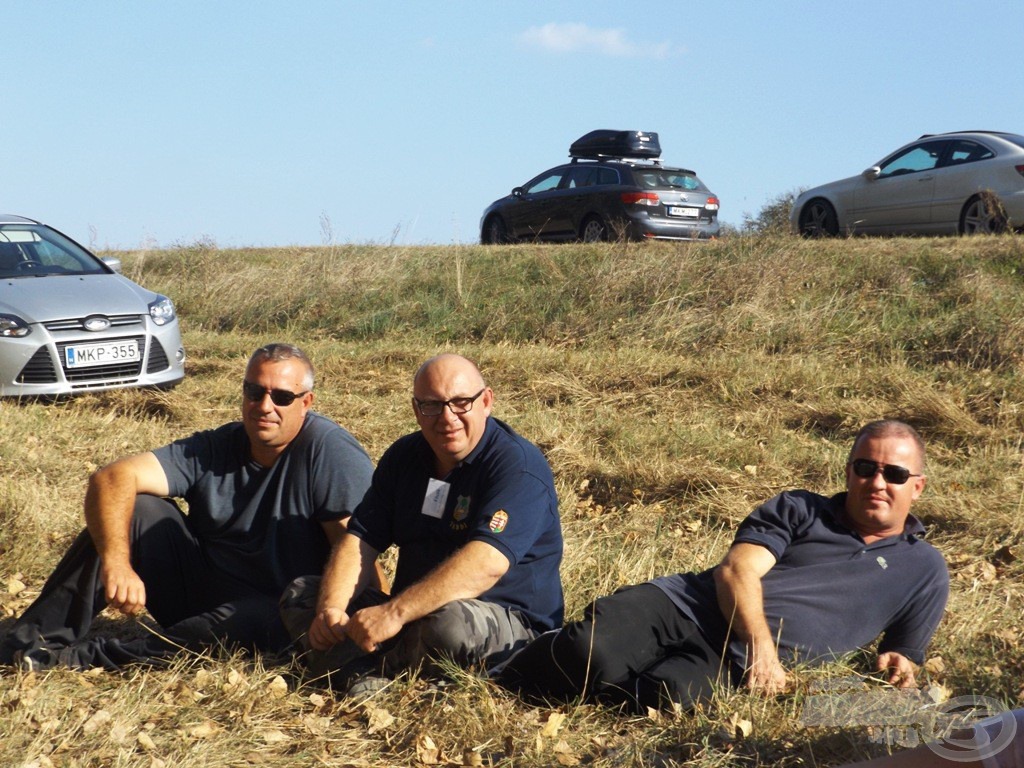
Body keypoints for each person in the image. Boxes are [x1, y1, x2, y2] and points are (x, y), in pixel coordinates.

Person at [498, 420, 949, 712]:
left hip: (729, 664)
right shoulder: (800, 509)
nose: (876, 482)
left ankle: (587, 688)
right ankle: (504, 667)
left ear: (918, 487)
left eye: (893, 474)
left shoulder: (925, 569)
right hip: (684, 607)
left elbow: (903, 651)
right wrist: (763, 652)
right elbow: (737, 571)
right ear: (849, 471)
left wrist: (900, 663)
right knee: (587, 651)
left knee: (663, 700)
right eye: (865, 467)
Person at [0, 343, 375, 670]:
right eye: (254, 391)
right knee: (140, 509)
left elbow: (357, 548)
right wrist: (118, 562)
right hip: (202, 589)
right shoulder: (217, 445)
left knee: (244, 620)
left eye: (281, 397)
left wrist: (361, 621)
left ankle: (87, 658)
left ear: (305, 402)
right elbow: (111, 478)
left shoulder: (330, 452)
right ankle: (30, 642)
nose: (264, 406)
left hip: (282, 608)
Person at [281, 353, 563, 695]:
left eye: (460, 403)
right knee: (302, 594)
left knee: (449, 625)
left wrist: (394, 614)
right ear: (416, 409)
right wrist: (332, 610)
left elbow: (486, 564)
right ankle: (378, 674)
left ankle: (359, 670)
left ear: (486, 402)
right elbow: (360, 539)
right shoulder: (405, 457)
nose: (447, 418)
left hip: (504, 623)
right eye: (432, 405)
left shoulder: (517, 467)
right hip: (409, 617)